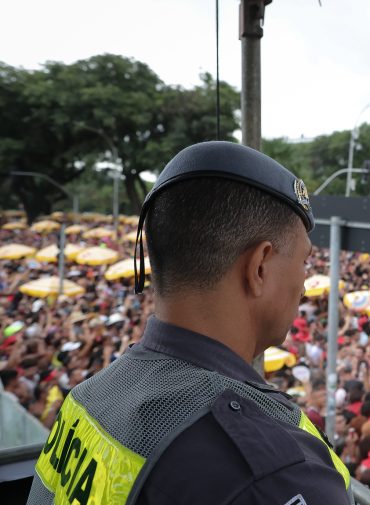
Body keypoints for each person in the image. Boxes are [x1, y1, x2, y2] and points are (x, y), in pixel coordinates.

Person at [27, 142, 351, 504]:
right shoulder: (273, 474)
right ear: (259, 266)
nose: (305, 287)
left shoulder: (87, 396)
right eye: (305, 262)